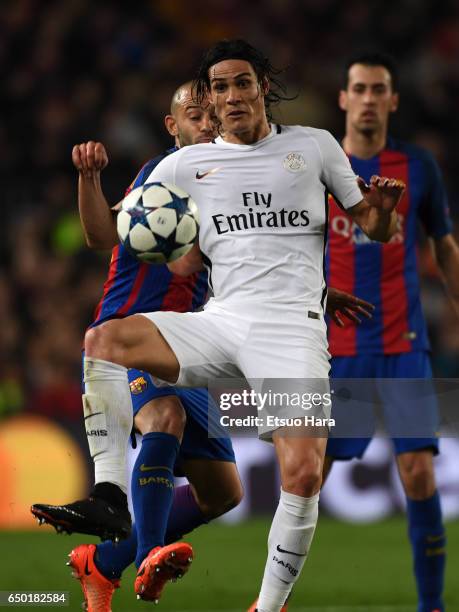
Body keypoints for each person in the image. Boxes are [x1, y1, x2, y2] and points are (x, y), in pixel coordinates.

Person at [34, 39, 404, 611]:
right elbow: (104, 237)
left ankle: (267, 605)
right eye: (219, 88)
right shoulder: (185, 164)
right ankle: (109, 491)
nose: (231, 96)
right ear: (209, 98)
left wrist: (381, 210)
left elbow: (373, 228)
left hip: (291, 332)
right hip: (220, 322)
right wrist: (90, 178)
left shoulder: (314, 147)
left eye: (242, 83)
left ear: (263, 89)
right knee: (104, 339)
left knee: (302, 476)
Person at [31, 83, 244, 609]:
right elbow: (103, 236)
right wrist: (89, 179)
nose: (208, 124)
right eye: (195, 116)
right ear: (174, 127)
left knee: (224, 493)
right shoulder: (162, 175)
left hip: (187, 343)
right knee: (163, 417)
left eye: (213, 114)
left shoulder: (232, 184)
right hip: (131, 334)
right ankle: (150, 554)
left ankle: (100, 564)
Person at [324, 52, 459, 612]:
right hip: (335, 350)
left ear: (393, 100)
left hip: (405, 347)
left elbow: (444, 246)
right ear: (344, 98)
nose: (370, 98)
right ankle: (271, 596)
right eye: (360, 88)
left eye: (380, 89)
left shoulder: (419, 167)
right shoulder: (315, 167)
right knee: (304, 477)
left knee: (420, 475)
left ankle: (431, 607)